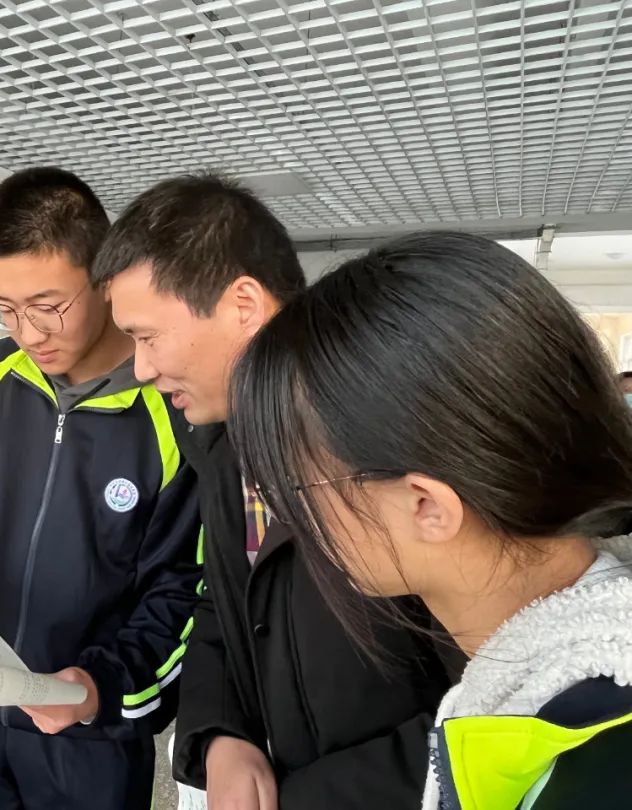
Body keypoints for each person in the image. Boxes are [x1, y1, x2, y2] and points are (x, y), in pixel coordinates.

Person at [230, 231, 632, 809]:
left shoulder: (596, 770)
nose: (292, 517)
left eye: (296, 487)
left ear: (427, 506)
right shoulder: (553, 703)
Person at [92, 174, 452, 810]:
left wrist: (310, 795)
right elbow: (226, 604)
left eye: (148, 337)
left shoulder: (391, 438)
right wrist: (220, 733)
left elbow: (495, 695)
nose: (141, 369)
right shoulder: (221, 444)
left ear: (243, 306)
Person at [0, 167, 202, 810]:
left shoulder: (175, 406)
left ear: (105, 278)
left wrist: (101, 688)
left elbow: (184, 590)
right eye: (6, 307)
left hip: (91, 733)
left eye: (48, 306)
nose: (27, 333)